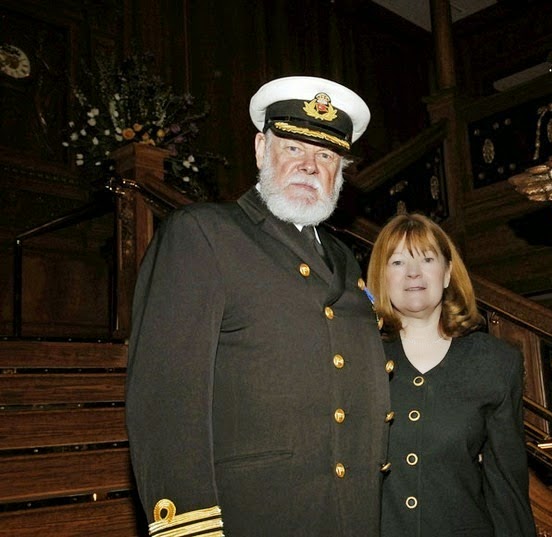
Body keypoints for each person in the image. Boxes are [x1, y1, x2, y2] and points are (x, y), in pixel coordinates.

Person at [125, 76, 392, 537]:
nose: (310, 166)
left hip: (351, 515)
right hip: (256, 515)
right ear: (260, 150)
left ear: (340, 173)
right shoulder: (204, 234)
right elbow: (166, 398)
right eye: (293, 149)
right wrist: (189, 527)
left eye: (326, 155)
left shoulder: (345, 259)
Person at [367, 213, 537, 537]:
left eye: (427, 259)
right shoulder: (357, 358)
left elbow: (507, 487)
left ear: (446, 273)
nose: (414, 273)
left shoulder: (495, 362)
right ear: (382, 277)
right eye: (399, 262)